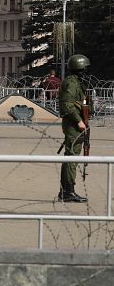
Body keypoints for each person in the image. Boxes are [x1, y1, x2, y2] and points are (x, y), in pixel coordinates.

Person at [57, 54, 91, 203]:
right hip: (73, 125)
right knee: (71, 158)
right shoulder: (71, 83)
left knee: (72, 157)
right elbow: (67, 105)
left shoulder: (77, 82)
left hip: (77, 124)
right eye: (85, 68)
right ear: (80, 68)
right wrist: (79, 121)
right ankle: (68, 192)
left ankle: (65, 190)